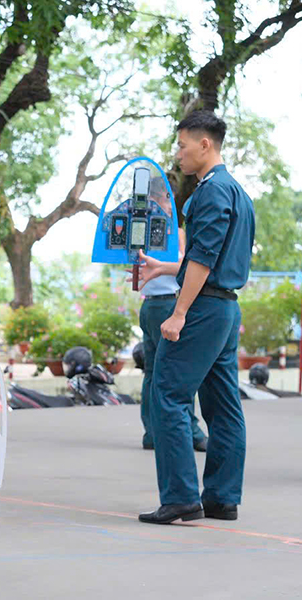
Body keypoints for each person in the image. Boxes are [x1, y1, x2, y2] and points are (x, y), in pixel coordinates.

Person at [138, 112, 255, 525]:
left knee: (167, 396)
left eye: (183, 145)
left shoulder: (211, 191)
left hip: (202, 309)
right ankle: (223, 499)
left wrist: (179, 312)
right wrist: (165, 268)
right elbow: (209, 257)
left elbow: (203, 258)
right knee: (224, 406)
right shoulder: (238, 192)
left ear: (205, 145)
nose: (179, 153)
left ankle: (181, 498)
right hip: (225, 309)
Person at [135, 176, 207, 453]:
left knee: (152, 373)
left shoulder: (140, 232)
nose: (166, 204)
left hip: (149, 305)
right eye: (165, 198)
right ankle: (190, 431)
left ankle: (152, 433)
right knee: (179, 372)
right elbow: (189, 265)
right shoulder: (172, 232)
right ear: (163, 198)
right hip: (167, 306)